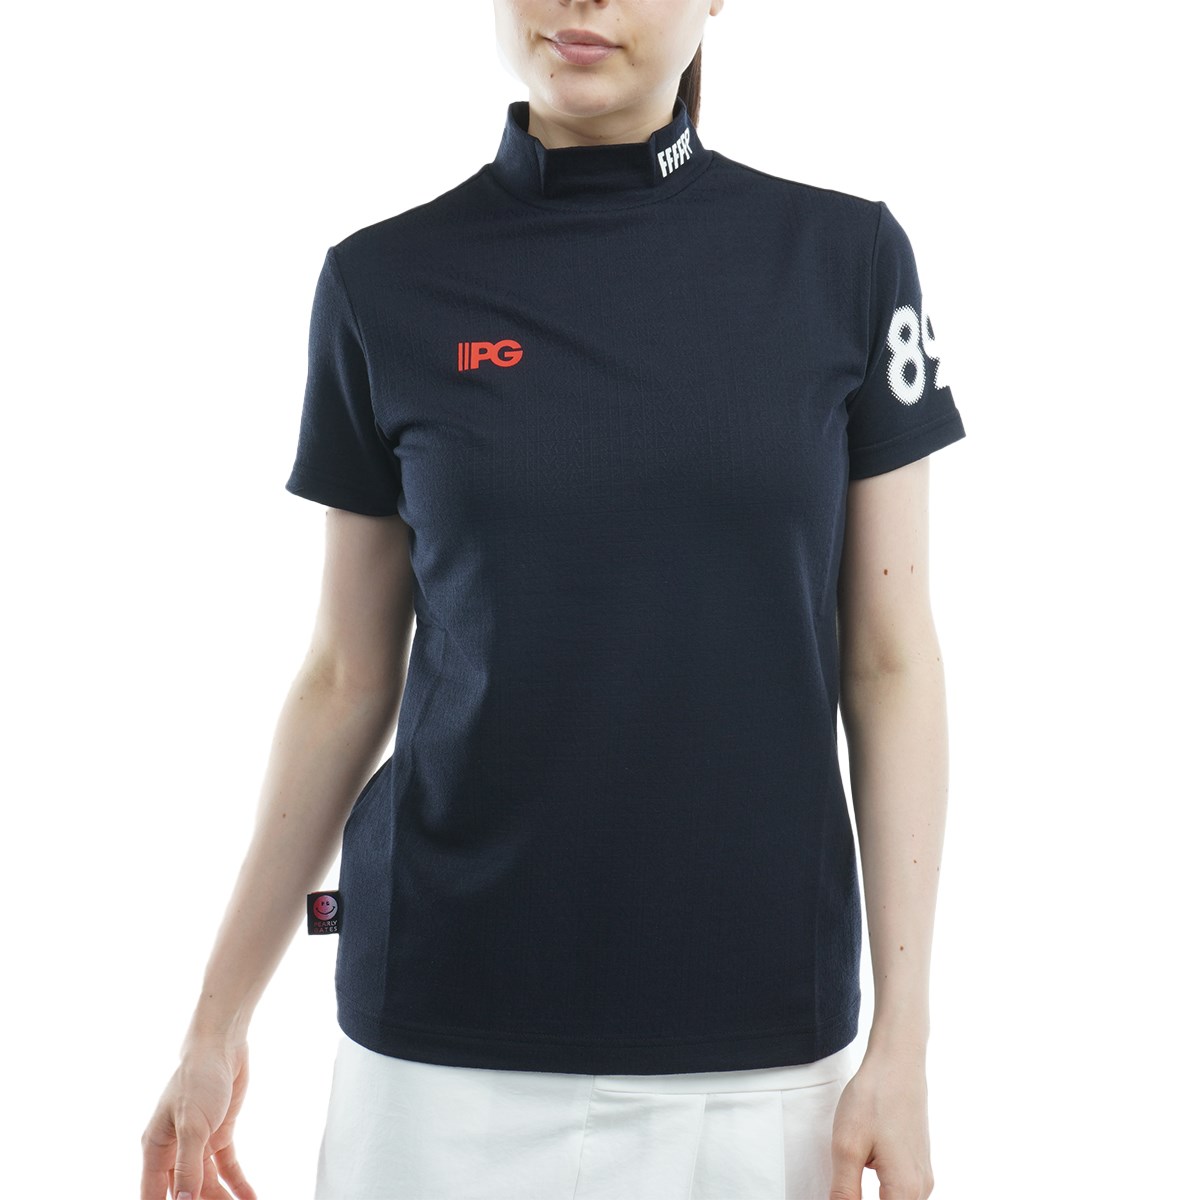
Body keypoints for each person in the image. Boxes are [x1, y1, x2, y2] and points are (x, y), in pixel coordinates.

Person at [140, 2, 964, 1198]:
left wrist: (907, 1043)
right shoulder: (383, 281)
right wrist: (213, 1026)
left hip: (756, 1062)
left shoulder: (845, 260)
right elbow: (345, 674)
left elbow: (892, 664)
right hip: (437, 1059)